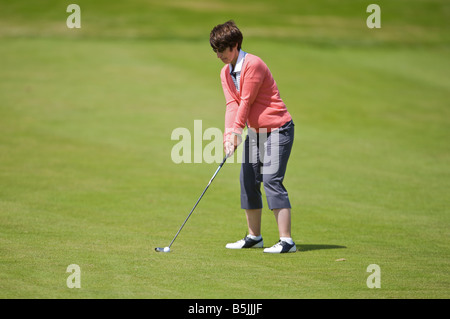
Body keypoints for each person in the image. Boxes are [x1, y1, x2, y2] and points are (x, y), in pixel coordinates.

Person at [210, 20, 296, 253]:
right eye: (215, 51)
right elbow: (232, 104)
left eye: (222, 50)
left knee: (271, 180)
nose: (218, 55)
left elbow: (246, 102)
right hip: (257, 133)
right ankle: (254, 236)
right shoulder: (225, 73)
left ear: (235, 46)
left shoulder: (253, 65)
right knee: (247, 180)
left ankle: (287, 241)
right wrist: (229, 136)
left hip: (279, 130)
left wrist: (238, 131)